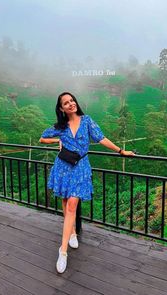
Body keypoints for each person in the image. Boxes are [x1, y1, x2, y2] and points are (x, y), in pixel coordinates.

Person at [39, 92, 135, 274]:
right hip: (63, 166)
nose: (70, 104)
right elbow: (42, 138)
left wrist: (121, 151)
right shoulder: (60, 126)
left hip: (81, 167)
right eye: (66, 103)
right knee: (66, 202)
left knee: (72, 205)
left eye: (72, 100)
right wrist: (57, 140)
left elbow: (101, 138)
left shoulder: (87, 120)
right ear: (61, 108)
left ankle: (63, 251)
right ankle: (72, 232)